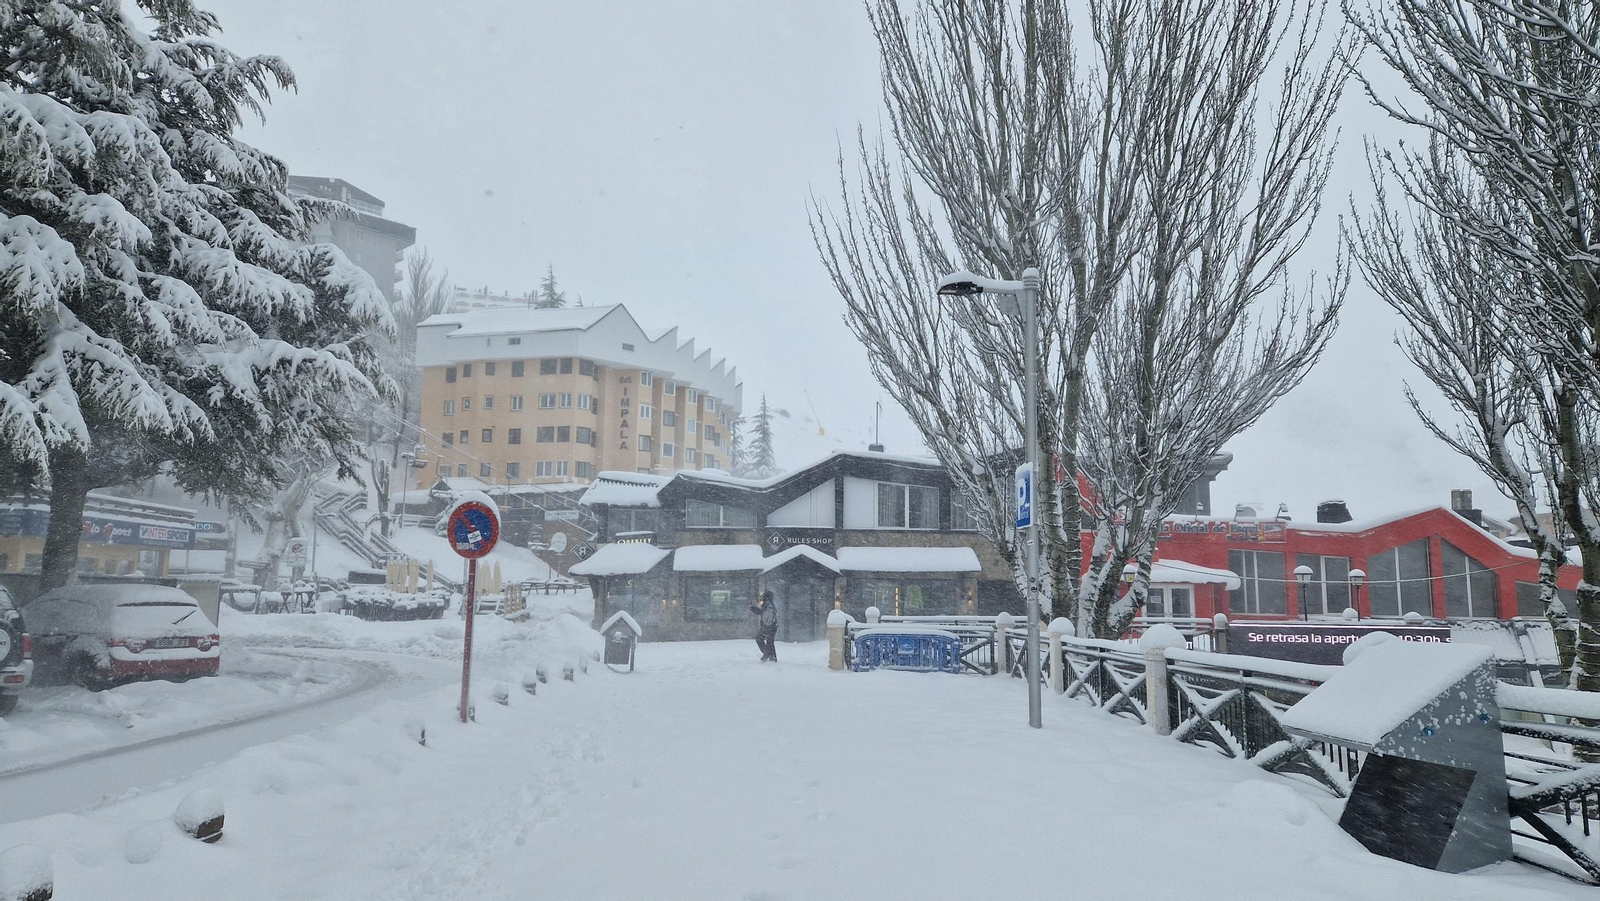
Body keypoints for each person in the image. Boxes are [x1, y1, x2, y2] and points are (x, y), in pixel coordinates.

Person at [749, 591, 778, 662]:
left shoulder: (766, 604)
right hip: (773, 625)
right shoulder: (771, 604)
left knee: (759, 639)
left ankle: (767, 654)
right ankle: (772, 656)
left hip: (767, 625)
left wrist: (753, 608)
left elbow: (760, 611)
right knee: (770, 641)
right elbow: (762, 612)